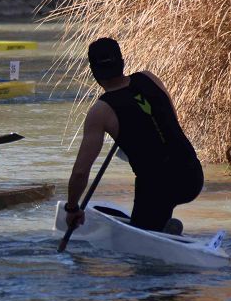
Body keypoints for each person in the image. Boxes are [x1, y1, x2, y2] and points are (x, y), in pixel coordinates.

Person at [64, 37, 203, 235]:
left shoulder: (101, 111)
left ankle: (160, 230)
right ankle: (162, 225)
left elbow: (80, 172)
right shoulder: (149, 78)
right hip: (192, 175)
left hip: (158, 187)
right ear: (122, 63)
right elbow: (170, 123)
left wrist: (72, 208)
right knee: (155, 210)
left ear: (94, 73)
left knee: (144, 243)